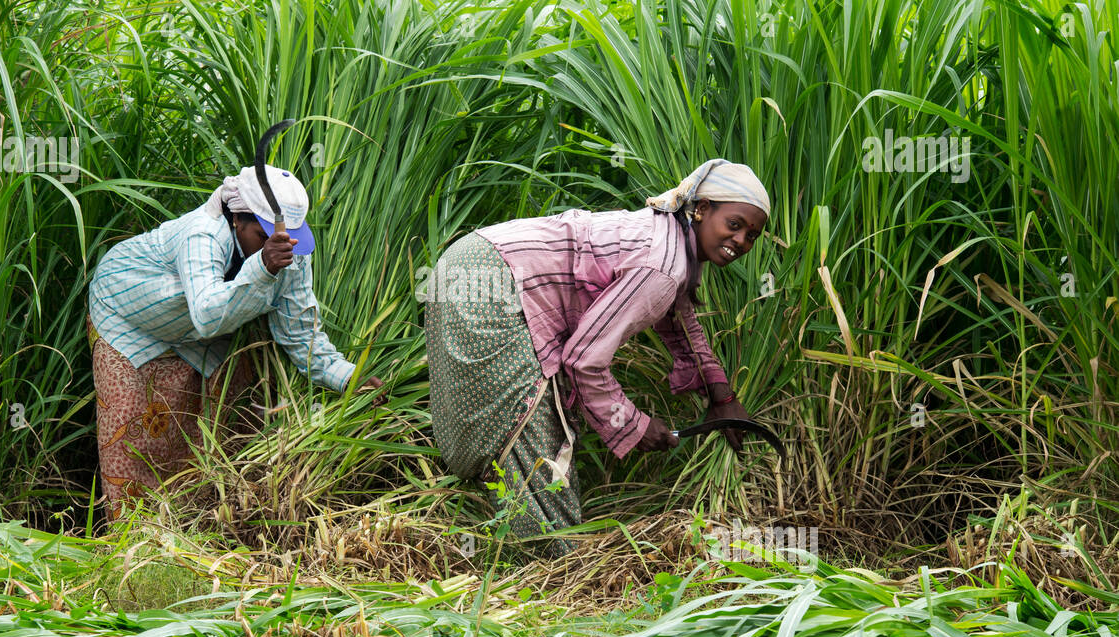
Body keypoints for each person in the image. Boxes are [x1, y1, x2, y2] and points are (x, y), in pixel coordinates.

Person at [424, 158, 770, 556]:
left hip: (470, 265)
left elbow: (679, 314)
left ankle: (509, 549)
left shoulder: (669, 238)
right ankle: (552, 570)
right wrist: (635, 425)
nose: (741, 241)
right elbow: (584, 358)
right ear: (702, 209)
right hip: (487, 285)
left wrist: (721, 396)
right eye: (735, 224)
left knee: (513, 427)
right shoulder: (663, 261)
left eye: (752, 235)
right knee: (530, 424)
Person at [87, 163, 382, 519]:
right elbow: (208, 315)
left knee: (212, 432)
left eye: (288, 238)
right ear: (236, 220)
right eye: (263, 237)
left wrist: (350, 378)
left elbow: (301, 334)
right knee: (135, 440)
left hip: (194, 334)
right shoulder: (203, 234)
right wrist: (264, 268)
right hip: (129, 321)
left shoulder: (288, 253)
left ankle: (196, 532)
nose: (278, 248)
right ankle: (133, 547)